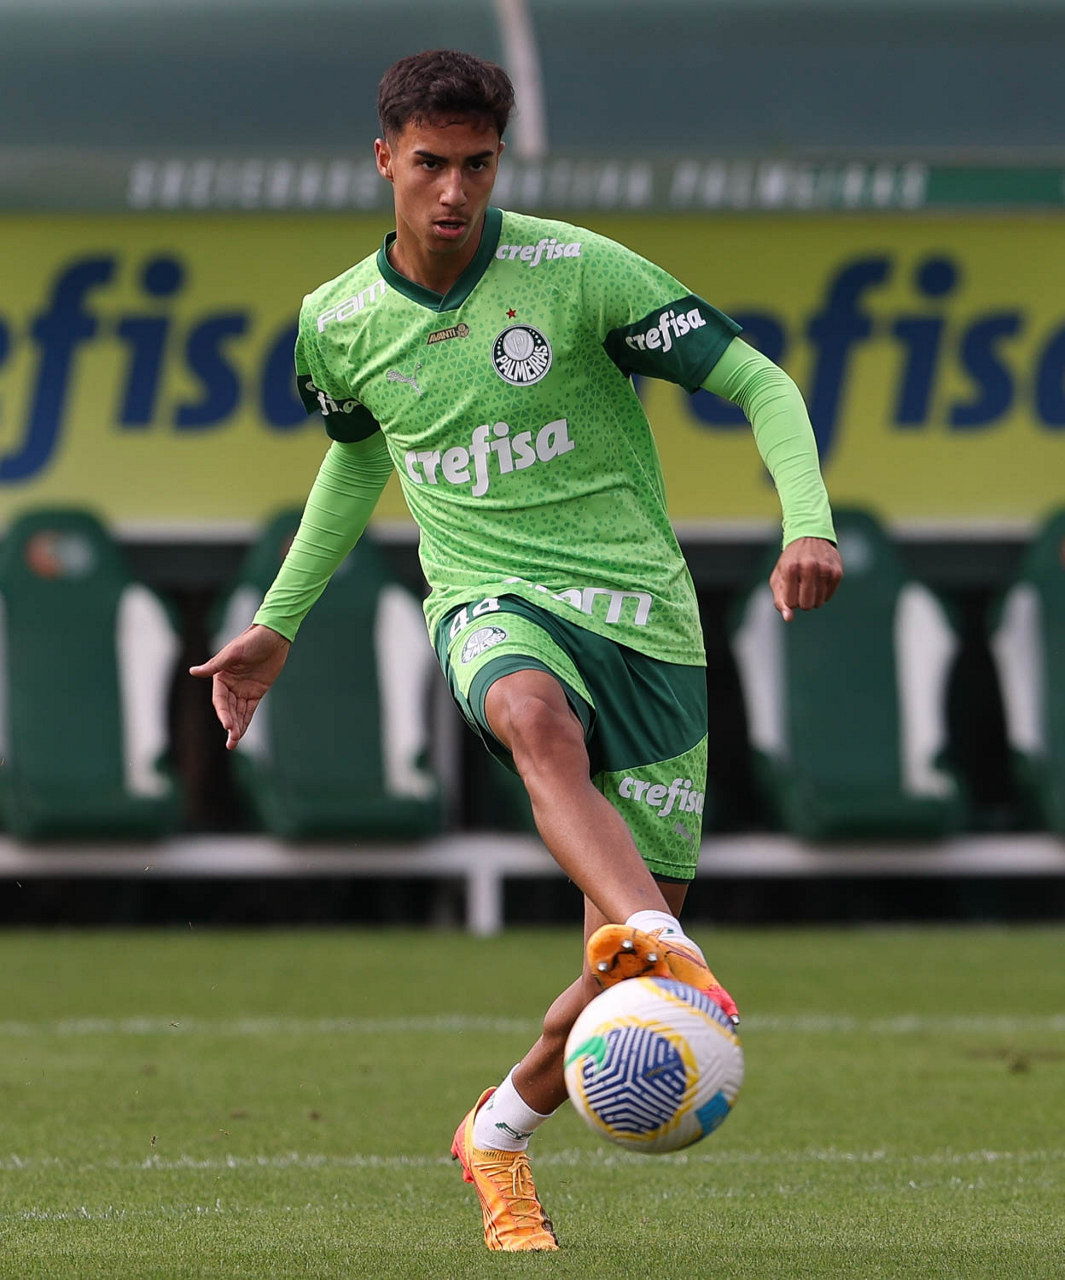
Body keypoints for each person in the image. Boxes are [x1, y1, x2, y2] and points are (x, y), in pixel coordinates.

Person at [191, 49, 843, 1252]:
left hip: (646, 622)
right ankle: (669, 945)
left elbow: (759, 380)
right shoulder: (338, 322)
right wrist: (280, 621)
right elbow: (358, 459)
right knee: (535, 719)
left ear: (499, 162)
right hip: (489, 598)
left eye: (477, 165)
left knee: (612, 986)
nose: (453, 191)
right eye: (429, 164)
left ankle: (494, 1134)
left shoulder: (578, 271)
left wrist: (807, 518)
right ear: (384, 158)